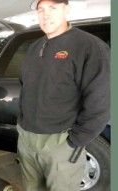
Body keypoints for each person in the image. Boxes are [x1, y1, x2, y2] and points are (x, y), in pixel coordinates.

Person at [16, 0, 110, 190]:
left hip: (60, 142)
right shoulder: (35, 47)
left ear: (66, 9)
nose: (46, 14)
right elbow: (25, 88)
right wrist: (22, 126)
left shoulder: (90, 47)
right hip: (27, 140)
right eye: (41, 9)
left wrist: (74, 142)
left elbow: (101, 102)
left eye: (53, 7)